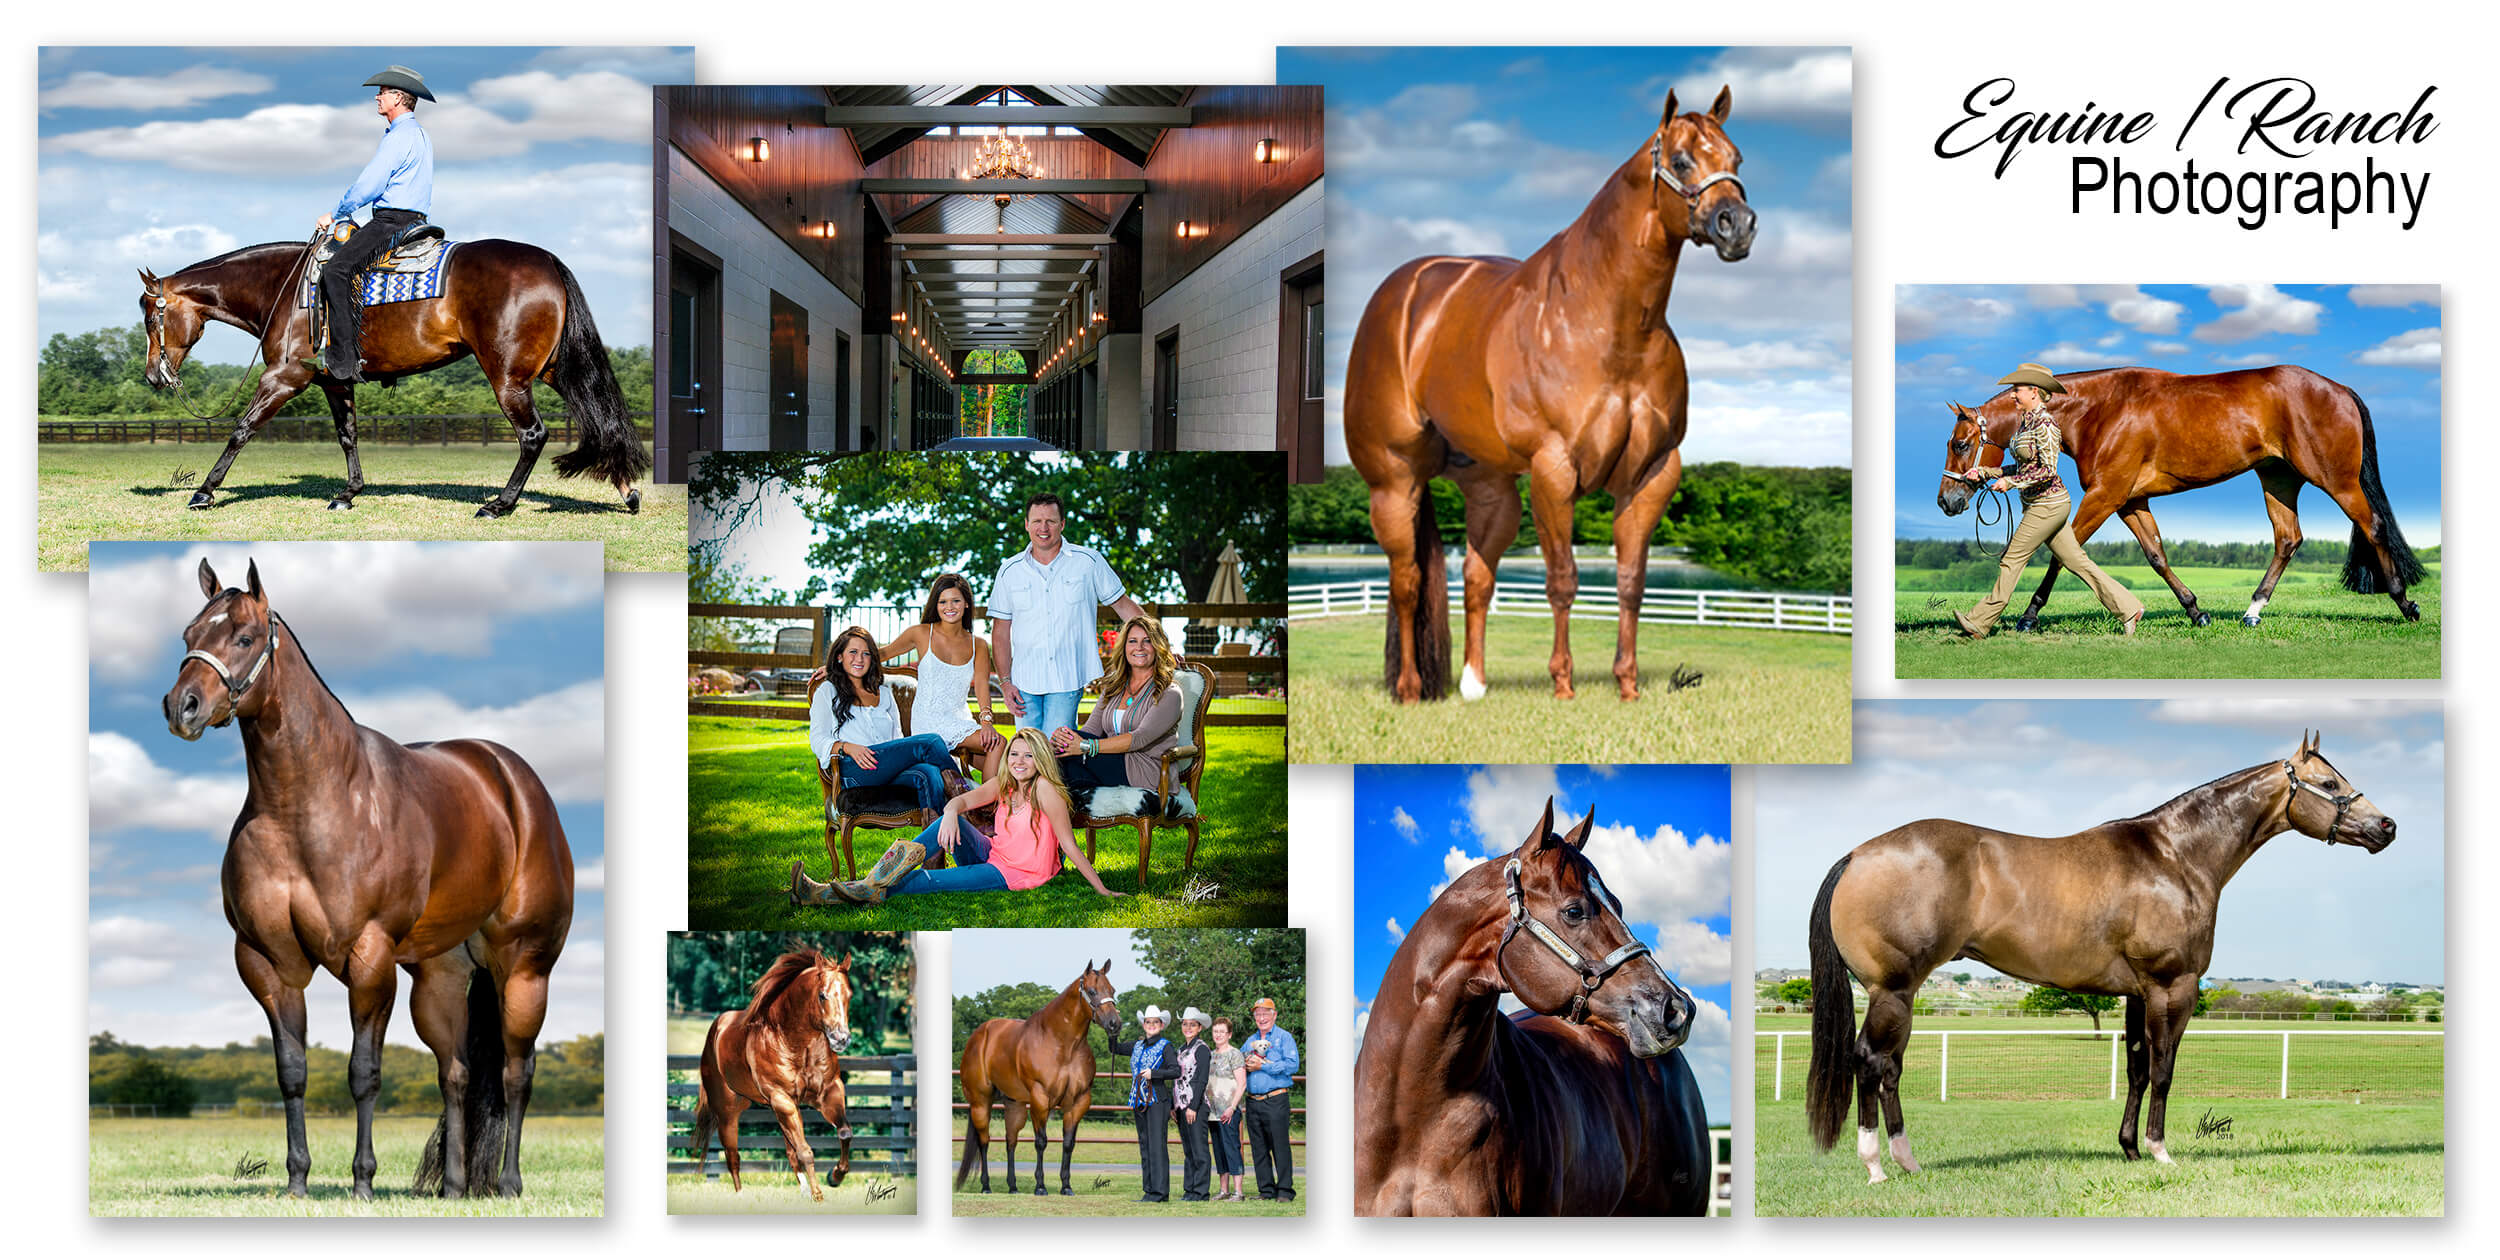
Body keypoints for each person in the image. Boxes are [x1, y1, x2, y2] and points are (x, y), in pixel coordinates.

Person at [789, 727, 1124, 905]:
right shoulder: (1005, 783)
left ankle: (832, 892)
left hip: (1013, 875)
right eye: (1014, 754)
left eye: (1028, 756)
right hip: (991, 853)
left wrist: (1104, 890)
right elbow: (962, 800)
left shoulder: (1046, 791)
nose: (1019, 761)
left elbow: (1069, 845)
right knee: (945, 820)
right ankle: (871, 883)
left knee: (920, 883)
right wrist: (950, 812)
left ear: (1041, 761)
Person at [1952, 363, 2146, 639]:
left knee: (2012, 559)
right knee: (2077, 562)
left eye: (2017, 390)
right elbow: (2021, 466)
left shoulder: (2045, 426)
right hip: (2037, 503)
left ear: (2034, 391)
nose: (2012, 395)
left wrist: (2011, 483)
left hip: (2048, 504)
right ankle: (2129, 608)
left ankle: (1979, 623)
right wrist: (1984, 472)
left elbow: (2047, 470)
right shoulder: (2025, 424)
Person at [811, 575, 1007, 782]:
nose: (949, 607)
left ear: (967, 603)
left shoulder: (979, 645)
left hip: (960, 720)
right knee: (998, 743)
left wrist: (986, 723)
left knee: (1002, 762)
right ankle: (984, 806)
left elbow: (982, 687)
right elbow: (880, 654)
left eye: (956, 600)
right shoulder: (921, 633)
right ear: (935, 604)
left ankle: (984, 807)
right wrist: (835, 665)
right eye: (943, 601)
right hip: (929, 720)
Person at [310, 67, 437, 383]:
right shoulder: (420, 135)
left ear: (397, 97)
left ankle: (342, 362)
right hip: (415, 220)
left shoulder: (399, 137)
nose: (377, 97)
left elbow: (369, 185)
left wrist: (337, 213)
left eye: (382, 92)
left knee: (336, 271)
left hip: (391, 220)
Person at [990, 492, 1148, 737]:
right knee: (1028, 752)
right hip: (1023, 682)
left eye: (1051, 521)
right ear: (1026, 525)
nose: (1044, 528)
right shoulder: (1009, 570)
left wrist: (1160, 643)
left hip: (1067, 677)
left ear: (1062, 524)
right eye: (1037, 521)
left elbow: (1124, 606)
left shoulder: (1089, 562)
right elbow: (1000, 632)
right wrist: (1005, 682)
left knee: (1056, 751)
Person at [807, 624, 966, 819]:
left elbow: (896, 738)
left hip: (886, 768)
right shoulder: (827, 691)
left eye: (866, 654)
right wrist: (847, 747)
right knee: (931, 742)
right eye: (853, 652)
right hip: (854, 770)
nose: (859, 659)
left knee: (930, 774)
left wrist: (897, 758)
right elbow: (817, 739)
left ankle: (934, 844)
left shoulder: (884, 694)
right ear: (839, 656)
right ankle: (967, 801)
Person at [1050, 616, 1185, 792]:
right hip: (1108, 762)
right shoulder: (1114, 688)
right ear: (1124, 647)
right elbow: (1090, 731)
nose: (1139, 647)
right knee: (1062, 755)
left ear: (1158, 646)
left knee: (1061, 761)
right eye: (1132, 641)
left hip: (1145, 771)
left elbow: (1139, 738)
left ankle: (1036, 810)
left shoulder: (1169, 693)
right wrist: (1062, 738)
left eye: (1147, 641)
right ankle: (1067, 809)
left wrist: (1084, 746)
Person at [1106, 1005, 1179, 1203]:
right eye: (1148, 1022)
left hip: (1157, 1100)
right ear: (1144, 1024)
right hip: (1139, 1101)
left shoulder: (1166, 1046)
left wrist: (1154, 1074)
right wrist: (1114, 1027)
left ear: (1161, 1025)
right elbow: (1114, 1048)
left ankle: (1160, 1192)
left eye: (1155, 1022)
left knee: (1157, 1146)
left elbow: (1175, 1071)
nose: (1151, 1025)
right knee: (1145, 1146)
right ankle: (1149, 1190)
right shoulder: (1137, 1045)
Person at [1241, 997, 1299, 1202]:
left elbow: (1293, 1065)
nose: (1261, 1017)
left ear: (1274, 1015)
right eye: (1258, 1014)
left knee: (1280, 1146)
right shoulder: (1249, 1041)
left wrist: (1262, 1066)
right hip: (1253, 1101)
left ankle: (1285, 1191)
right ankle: (1266, 1190)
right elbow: (1239, 1063)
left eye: (1266, 1013)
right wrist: (1244, 1064)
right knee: (1258, 1147)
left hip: (1275, 1099)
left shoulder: (1284, 1038)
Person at [1173, 1007, 1216, 1202]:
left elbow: (1200, 1079)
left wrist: (1193, 1106)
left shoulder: (1202, 1049)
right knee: (1188, 1150)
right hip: (1181, 1106)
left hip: (1195, 1105)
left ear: (1199, 1027)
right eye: (1185, 1024)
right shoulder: (1182, 1049)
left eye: (1192, 1025)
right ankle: (1189, 1190)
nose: (1188, 1027)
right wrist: (1175, 1106)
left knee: (1199, 1150)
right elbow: (1178, 1079)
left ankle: (1200, 1192)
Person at [1207, 1015, 1249, 1201]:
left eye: (1222, 1032)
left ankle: (1238, 1191)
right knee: (1219, 1150)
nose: (1218, 1035)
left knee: (1232, 1148)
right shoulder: (1210, 1054)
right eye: (1215, 1031)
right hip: (1212, 1111)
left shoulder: (1235, 1054)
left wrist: (1232, 1107)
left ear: (1229, 1034)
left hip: (1228, 1110)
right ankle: (1223, 1190)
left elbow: (1242, 1084)